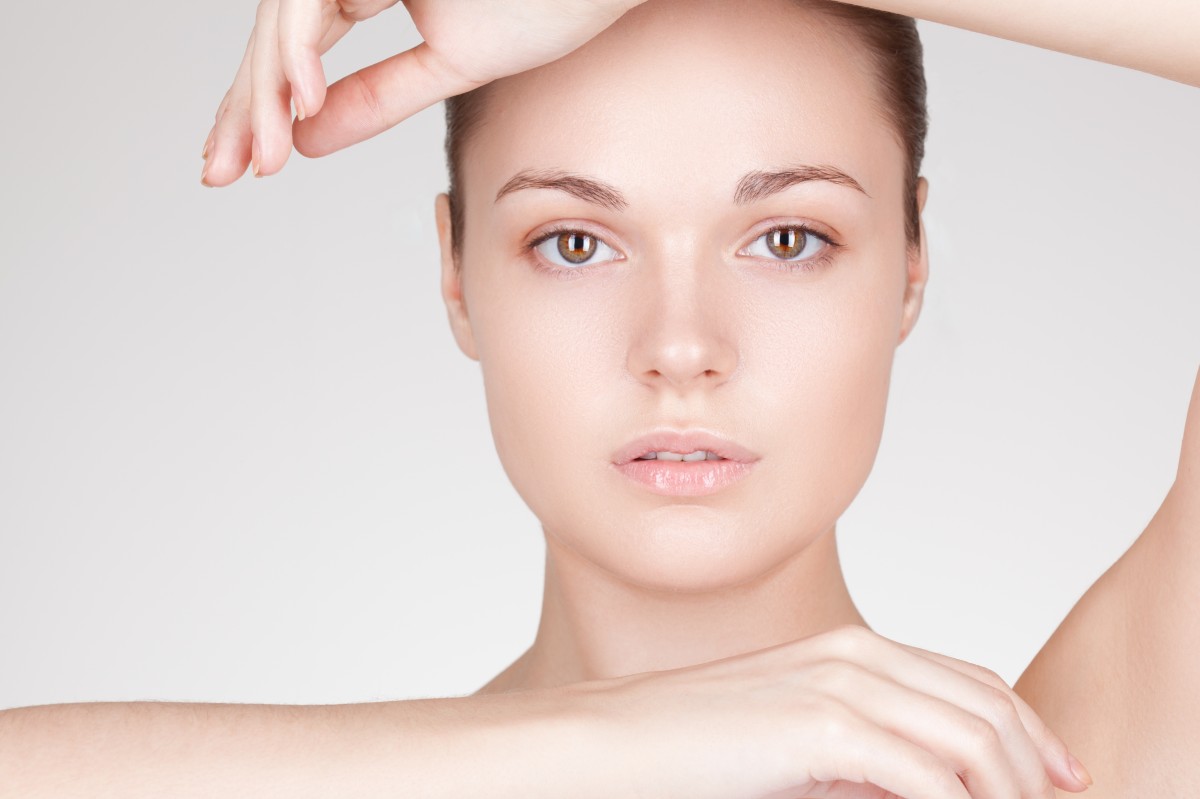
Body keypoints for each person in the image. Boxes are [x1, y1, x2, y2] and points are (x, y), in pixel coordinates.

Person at [4, 0, 1198, 797]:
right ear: (456, 274)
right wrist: (618, 737)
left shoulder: (1067, 771)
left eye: (788, 237)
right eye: (575, 242)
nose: (681, 347)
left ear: (912, 262)